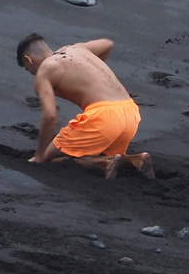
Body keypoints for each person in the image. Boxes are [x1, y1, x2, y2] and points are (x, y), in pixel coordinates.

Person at [16, 33, 153, 179]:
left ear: (28, 60)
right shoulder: (77, 49)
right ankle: (135, 161)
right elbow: (107, 44)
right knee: (100, 149)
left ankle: (104, 163)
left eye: (27, 69)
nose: (30, 73)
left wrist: (39, 155)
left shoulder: (45, 71)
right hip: (130, 113)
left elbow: (50, 115)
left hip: (104, 116)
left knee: (50, 160)